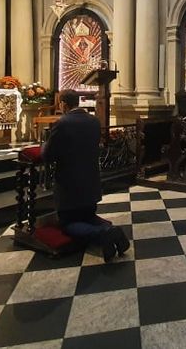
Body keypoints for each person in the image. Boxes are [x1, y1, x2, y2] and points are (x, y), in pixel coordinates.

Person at [41, 89, 129, 262]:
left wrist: (44, 145)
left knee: (68, 224)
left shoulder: (62, 123)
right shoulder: (93, 121)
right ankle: (112, 231)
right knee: (88, 216)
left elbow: (48, 155)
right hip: (91, 181)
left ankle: (103, 232)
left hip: (70, 184)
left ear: (63, 104)